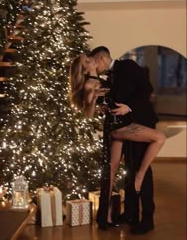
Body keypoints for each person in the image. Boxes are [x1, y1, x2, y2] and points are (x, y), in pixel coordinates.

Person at [69, 50, 165, 231]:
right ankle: (129, 214)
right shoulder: (100, 80)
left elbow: (146, 90)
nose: (92, 63)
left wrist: (126, 107)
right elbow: (93, 107)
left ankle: (146, 219)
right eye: (86, 61)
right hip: (121, 128)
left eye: (91, 60)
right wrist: (104, 105)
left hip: (138, 120)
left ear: (100, 58)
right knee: (124, 169)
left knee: (137, 170)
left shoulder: (126, 66)